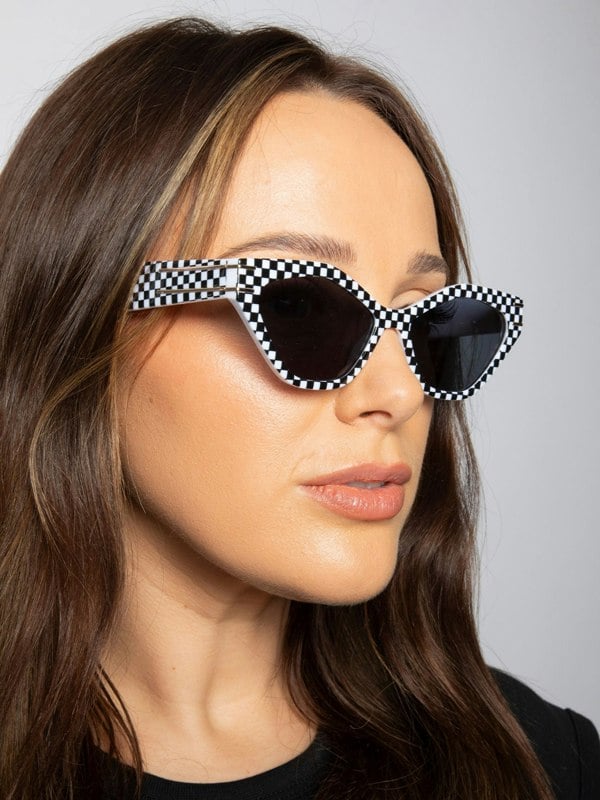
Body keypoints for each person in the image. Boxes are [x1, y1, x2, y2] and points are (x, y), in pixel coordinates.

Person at [0, 16, 597, 800]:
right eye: (299, 307)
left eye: (428, 322)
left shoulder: (544, 765)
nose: (399, 393)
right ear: (82, 323)